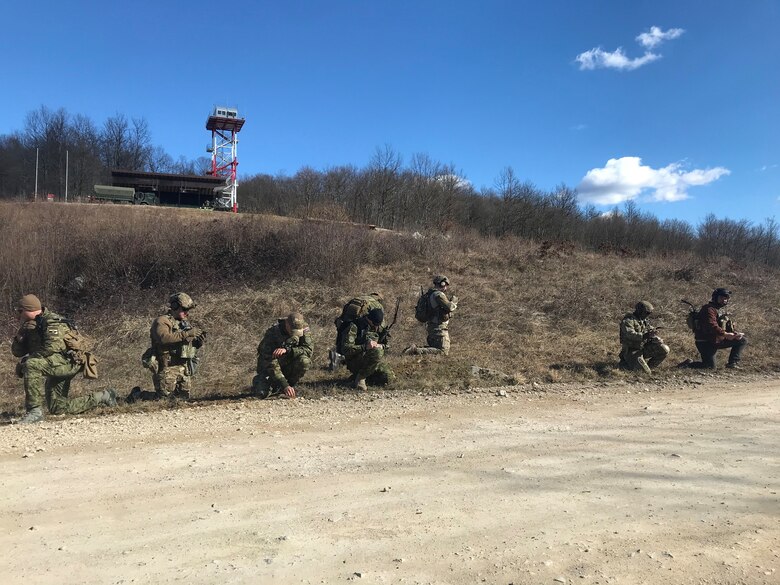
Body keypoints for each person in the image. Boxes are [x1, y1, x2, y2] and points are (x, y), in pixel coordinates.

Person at [11, 294, 116, 424]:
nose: (19, 315)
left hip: (68, 362)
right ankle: (103, 396)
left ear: (28, 310)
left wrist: (29, 359)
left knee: (31, 364)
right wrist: (19, 336)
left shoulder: (52, 322)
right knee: (58, 408)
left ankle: (34, 411)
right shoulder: (29, 325)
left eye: (20, 311)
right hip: (56, 363)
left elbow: (52, 347)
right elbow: (16, 352)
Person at [129, 293, 206, 402]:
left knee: (183, 399)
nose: (187, 313)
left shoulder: (183, 324)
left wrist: (197, 342)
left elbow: (185, 344)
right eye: (184, 309)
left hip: (183, 366)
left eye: (188, 310)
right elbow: (164, 338)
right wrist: (187, 334)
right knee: (163, 399)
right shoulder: (162, 321)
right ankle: (137, 395)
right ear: (174, 307)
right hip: (166, 366)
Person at [681, 288, 747, 370]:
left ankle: (733, 363)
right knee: (709, 367)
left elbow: (723, 326)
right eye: (722, 298)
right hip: (705, 342)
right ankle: (688, 364)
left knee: (742, 340)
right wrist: (725, 334)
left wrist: (734, 334)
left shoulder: (718, 310)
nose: (724, 300)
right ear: (715, 297)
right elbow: (711, 325)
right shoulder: (708, 309)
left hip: (716, 340)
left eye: (726, 298)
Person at [253, 312, 313, 399]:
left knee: (304, 361)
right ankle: (266, 383)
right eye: (292, 331)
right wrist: (284, 384)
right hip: (270, 369)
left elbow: (308, 350)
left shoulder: (303, 328)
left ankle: (290, 386)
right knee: (262, 393)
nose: (294, 334)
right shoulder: (272, 334)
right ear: (287, 324)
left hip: (288, 365)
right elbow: (270, 363)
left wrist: (288, 351)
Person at [342, 307, 394, 391]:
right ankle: (360, 378)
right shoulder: (355, 327)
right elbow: (346, 349)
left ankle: (358, 377)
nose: (376, 327)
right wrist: (364, 347)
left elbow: (388, 345)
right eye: (375, 324)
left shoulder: (379, 326)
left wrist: (381, 346)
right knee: (377, 352)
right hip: (355, 360)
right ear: (369, 319)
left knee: (388, 377)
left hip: (372, 361)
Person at [403, 275, 458, 356]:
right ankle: (415, 350)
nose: (446, 288)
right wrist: (454, 302)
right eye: (446, 285)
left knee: (435, 348)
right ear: (442, 284)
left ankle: (415, 349)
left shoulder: (429, 295)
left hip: (432, 326)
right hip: (439, 328)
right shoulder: (438, 294)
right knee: (443, 352)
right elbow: (449, 307)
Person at [329, 292, 385, 370]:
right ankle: (351, 357)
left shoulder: (359, 299)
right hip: (360, 323)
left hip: (347, 320)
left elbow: (343, 315)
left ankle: (337, 355)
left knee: (344, 336)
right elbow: (380, 324)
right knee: (360, 338)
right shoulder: (377, 305)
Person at [618, 300, 670, 374]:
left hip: (643, 348)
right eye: (647, 313)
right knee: (643, 373)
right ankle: (626, 363)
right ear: (640, 311)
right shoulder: (628, 321)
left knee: (664, 349)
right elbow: (630, 335)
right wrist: (646, 335)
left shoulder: (644, 321)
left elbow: (650, 330)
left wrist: (655, 337)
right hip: (631, 351)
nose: (648, 315)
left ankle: (648, 367)